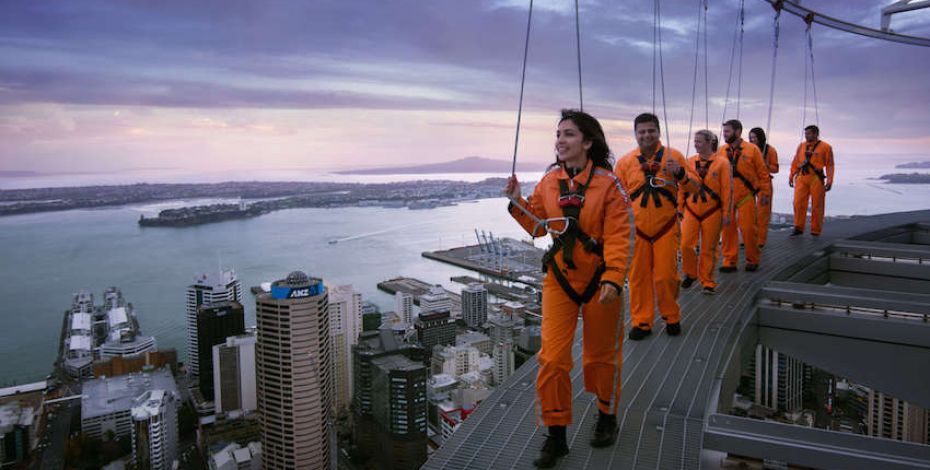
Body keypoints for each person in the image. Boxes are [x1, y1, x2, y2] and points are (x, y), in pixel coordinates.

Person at [505, 109, 631, 467]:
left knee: (600, 357)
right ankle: (556, 434)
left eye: (570, 134)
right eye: (558, 134)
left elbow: (622, 235)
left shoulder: (609, 185)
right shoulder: (548, 183)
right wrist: (516, 202)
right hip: (560, 280)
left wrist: (613, 277)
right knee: (553, 359)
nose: (560, 140)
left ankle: (606, 416)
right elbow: (538, 227)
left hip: (599, 281)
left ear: (588, 142)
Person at [615, 113, 699, 340]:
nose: (646, 135)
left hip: (666, 227)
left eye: (651, 130)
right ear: (635, 134)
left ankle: (671, 316)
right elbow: (616, 198)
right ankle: (642, 322)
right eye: (641, 131)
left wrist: (680, 173)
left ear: (658, 131)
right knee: (638, 278)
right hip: (637, 230)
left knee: (666, 277)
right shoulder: (625, 163)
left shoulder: (675, 158)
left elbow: (695, 188)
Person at [679, 130, 731, 295]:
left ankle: (707, 281)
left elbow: (727, 190)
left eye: (699, 141)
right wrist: (679, 208)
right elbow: (682, 187)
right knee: (685, 244)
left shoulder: (722, 163)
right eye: (695, 141)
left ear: (709, 143)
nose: (696, 144)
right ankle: (690, 273)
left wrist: (726, 213)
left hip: (712, 210)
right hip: (691, 209)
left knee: (708, 248)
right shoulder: (689, 162)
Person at [719, 119, 771, 272]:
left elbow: (762, 173)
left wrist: (765, 193)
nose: (724, 134)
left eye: (727, 131)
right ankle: (729, 261)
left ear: (738, 132)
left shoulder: (752, 150)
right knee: (727, 231)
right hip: (727, 198)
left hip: (745, 195)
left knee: (748, 229)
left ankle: (752, 259)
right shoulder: (721, 151)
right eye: (724, 131)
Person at [789, 125, 835, 237]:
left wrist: (829, 181)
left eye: (809, 133)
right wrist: (791, 176)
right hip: (802, 177)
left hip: (816, 178)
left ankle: (816, 230)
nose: (806, 136)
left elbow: (829, 165)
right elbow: (795, 162)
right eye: (805, 133)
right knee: (798, 203)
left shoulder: (825, 147)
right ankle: (798, 227)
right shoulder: (801, 146)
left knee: (817, 205)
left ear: (815, 134)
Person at [749, 127, 778, 248]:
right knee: (748, 212)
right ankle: (748, 237)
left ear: (760, 138)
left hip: (764, 182)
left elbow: (775, 169)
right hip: (749, 182)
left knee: (763, 213)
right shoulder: (748, 150)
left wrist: (766, 165)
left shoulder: (770, 150)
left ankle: (760, 240)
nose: (752, 140)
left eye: (754, 138)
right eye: (750, 138)